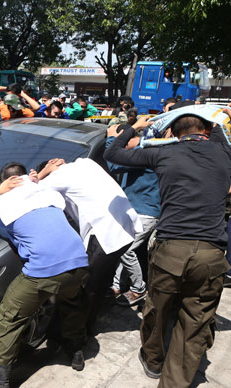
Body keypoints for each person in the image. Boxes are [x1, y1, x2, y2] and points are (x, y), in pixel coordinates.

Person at [104, 115, 231, 387]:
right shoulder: (223, 152)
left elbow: (112, 152)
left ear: (173, 131)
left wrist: (134, 128)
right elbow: (219, 131)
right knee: (195, 325)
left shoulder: (162, 153)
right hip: (211, 255)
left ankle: (153, 361)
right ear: (207, 130)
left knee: (157, 311)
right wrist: (219, 119)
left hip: (171, 250)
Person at [0, 162, 89, 387]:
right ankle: (75, 351)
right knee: (72, 303)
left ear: (5, 182)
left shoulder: (5, 203)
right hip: (79, 262)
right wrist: (37, 180)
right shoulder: (45, 193)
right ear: (27, 177)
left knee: (10, 316)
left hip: (44, 270)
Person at [35, 158, 141, 328]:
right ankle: (90, 323)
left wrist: (42, 174)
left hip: (105, 236)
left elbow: (29, 193)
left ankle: (78, 330)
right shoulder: (86, 162)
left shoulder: (57, 178)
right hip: (126, 229)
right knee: (102, 280)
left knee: (85, 285)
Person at [105, 125, 161, 306]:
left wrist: (111, 140)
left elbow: (113, 164)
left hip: (146, 212)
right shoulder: (146, 151)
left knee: (125, 249)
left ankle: (139, 288)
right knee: (125, 249)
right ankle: (116, 286)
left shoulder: (145, 153)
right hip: (136, 209)